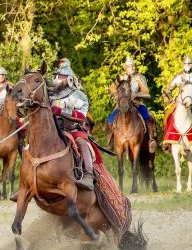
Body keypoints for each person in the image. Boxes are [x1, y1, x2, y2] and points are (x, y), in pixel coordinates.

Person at [49, 60, 95, 191]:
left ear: (69, 79)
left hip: (72, 129)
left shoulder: (78, 94)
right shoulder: (51, 94)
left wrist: (61, 111)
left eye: (62, 77)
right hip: (53, 130)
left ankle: (88, 175)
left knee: (82, 142)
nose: (59, 79)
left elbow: (81, 116)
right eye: (58, 76)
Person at [106, 56, 157, 151]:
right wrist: (118, 95)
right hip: (123, 104)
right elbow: (111, 89)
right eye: (130, 66)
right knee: (110, 121)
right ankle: (110, 143)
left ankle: (151, 140)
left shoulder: (140, 78)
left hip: (137, 103)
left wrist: (136, 94)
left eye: (133, 66)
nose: (132, 68)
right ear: (126, 68)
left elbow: (146, 93)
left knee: (148, 118)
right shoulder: (120, 78)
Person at [163, 55, 192, 150]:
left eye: (189, 63)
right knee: (167, 115)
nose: (187, 65)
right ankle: (167, 140)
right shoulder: (179, 76)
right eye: (185, 63)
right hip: (179, 102)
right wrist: (171, 99)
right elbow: (167, 89)